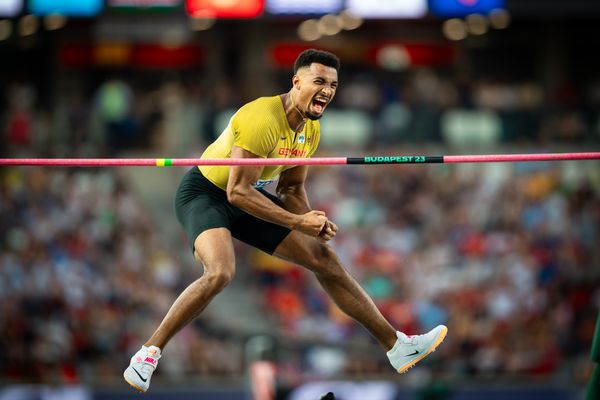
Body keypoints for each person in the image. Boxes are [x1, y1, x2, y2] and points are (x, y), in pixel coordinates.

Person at [123, 49, 448, 392]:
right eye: (319, 81)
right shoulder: (261, 118)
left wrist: (310, 220)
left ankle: (397, 346)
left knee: (325, 260)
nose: (327, 90)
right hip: (206, 194)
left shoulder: (310, 131)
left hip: (244, 199)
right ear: (296, 82)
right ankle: (148, 353)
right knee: (221, 271)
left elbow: (291, 187)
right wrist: (298, 223)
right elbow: (237, 192)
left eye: (333, 85)